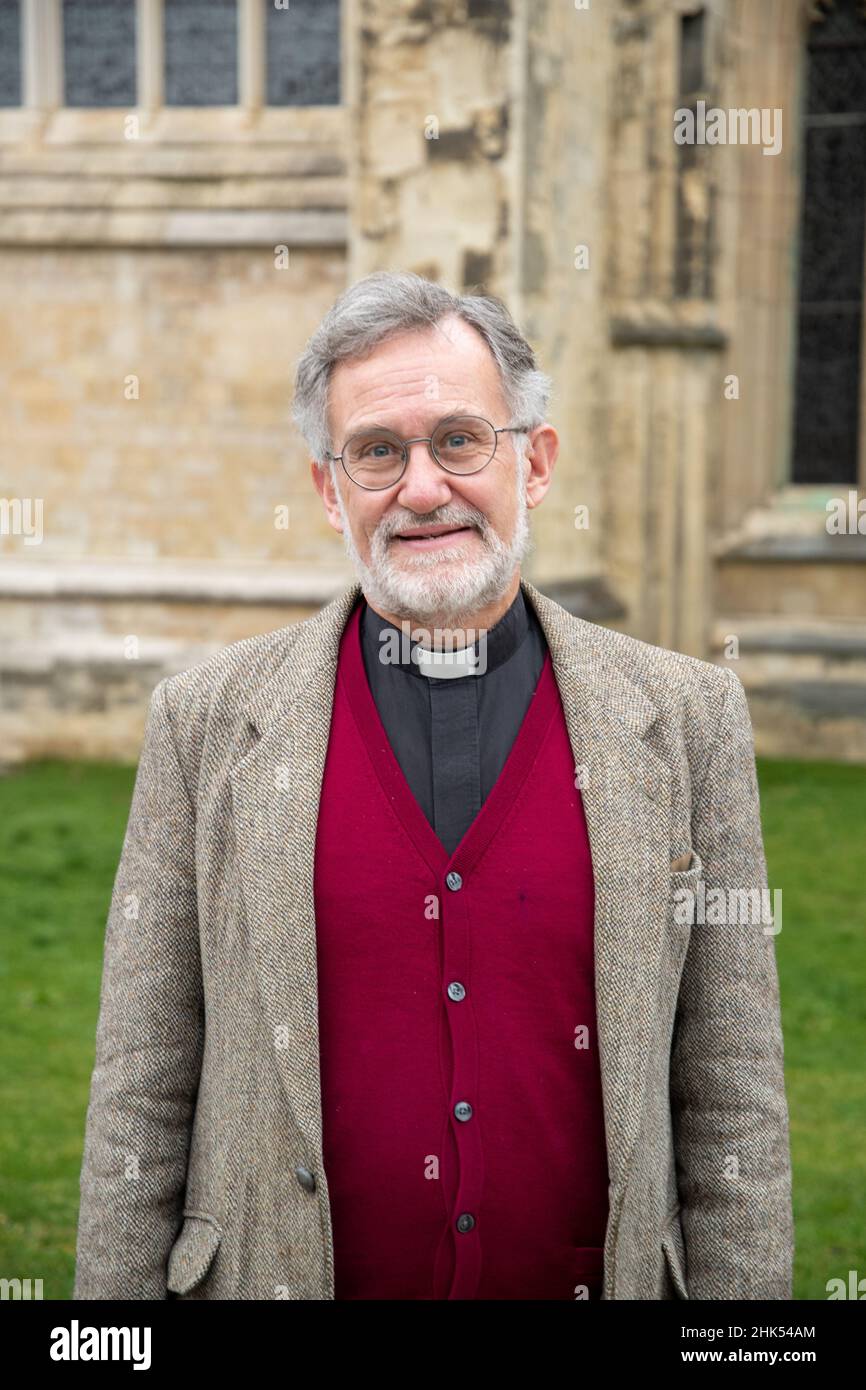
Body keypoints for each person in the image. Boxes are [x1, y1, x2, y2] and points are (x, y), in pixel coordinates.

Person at [73, 271, 793, 1300]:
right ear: (329, 491)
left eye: (458, 439)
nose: (420, 489)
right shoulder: (204, 722)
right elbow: (139, 1081)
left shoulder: (685, 718)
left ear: (532, 462)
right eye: (376, 452)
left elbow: (733, 1091)